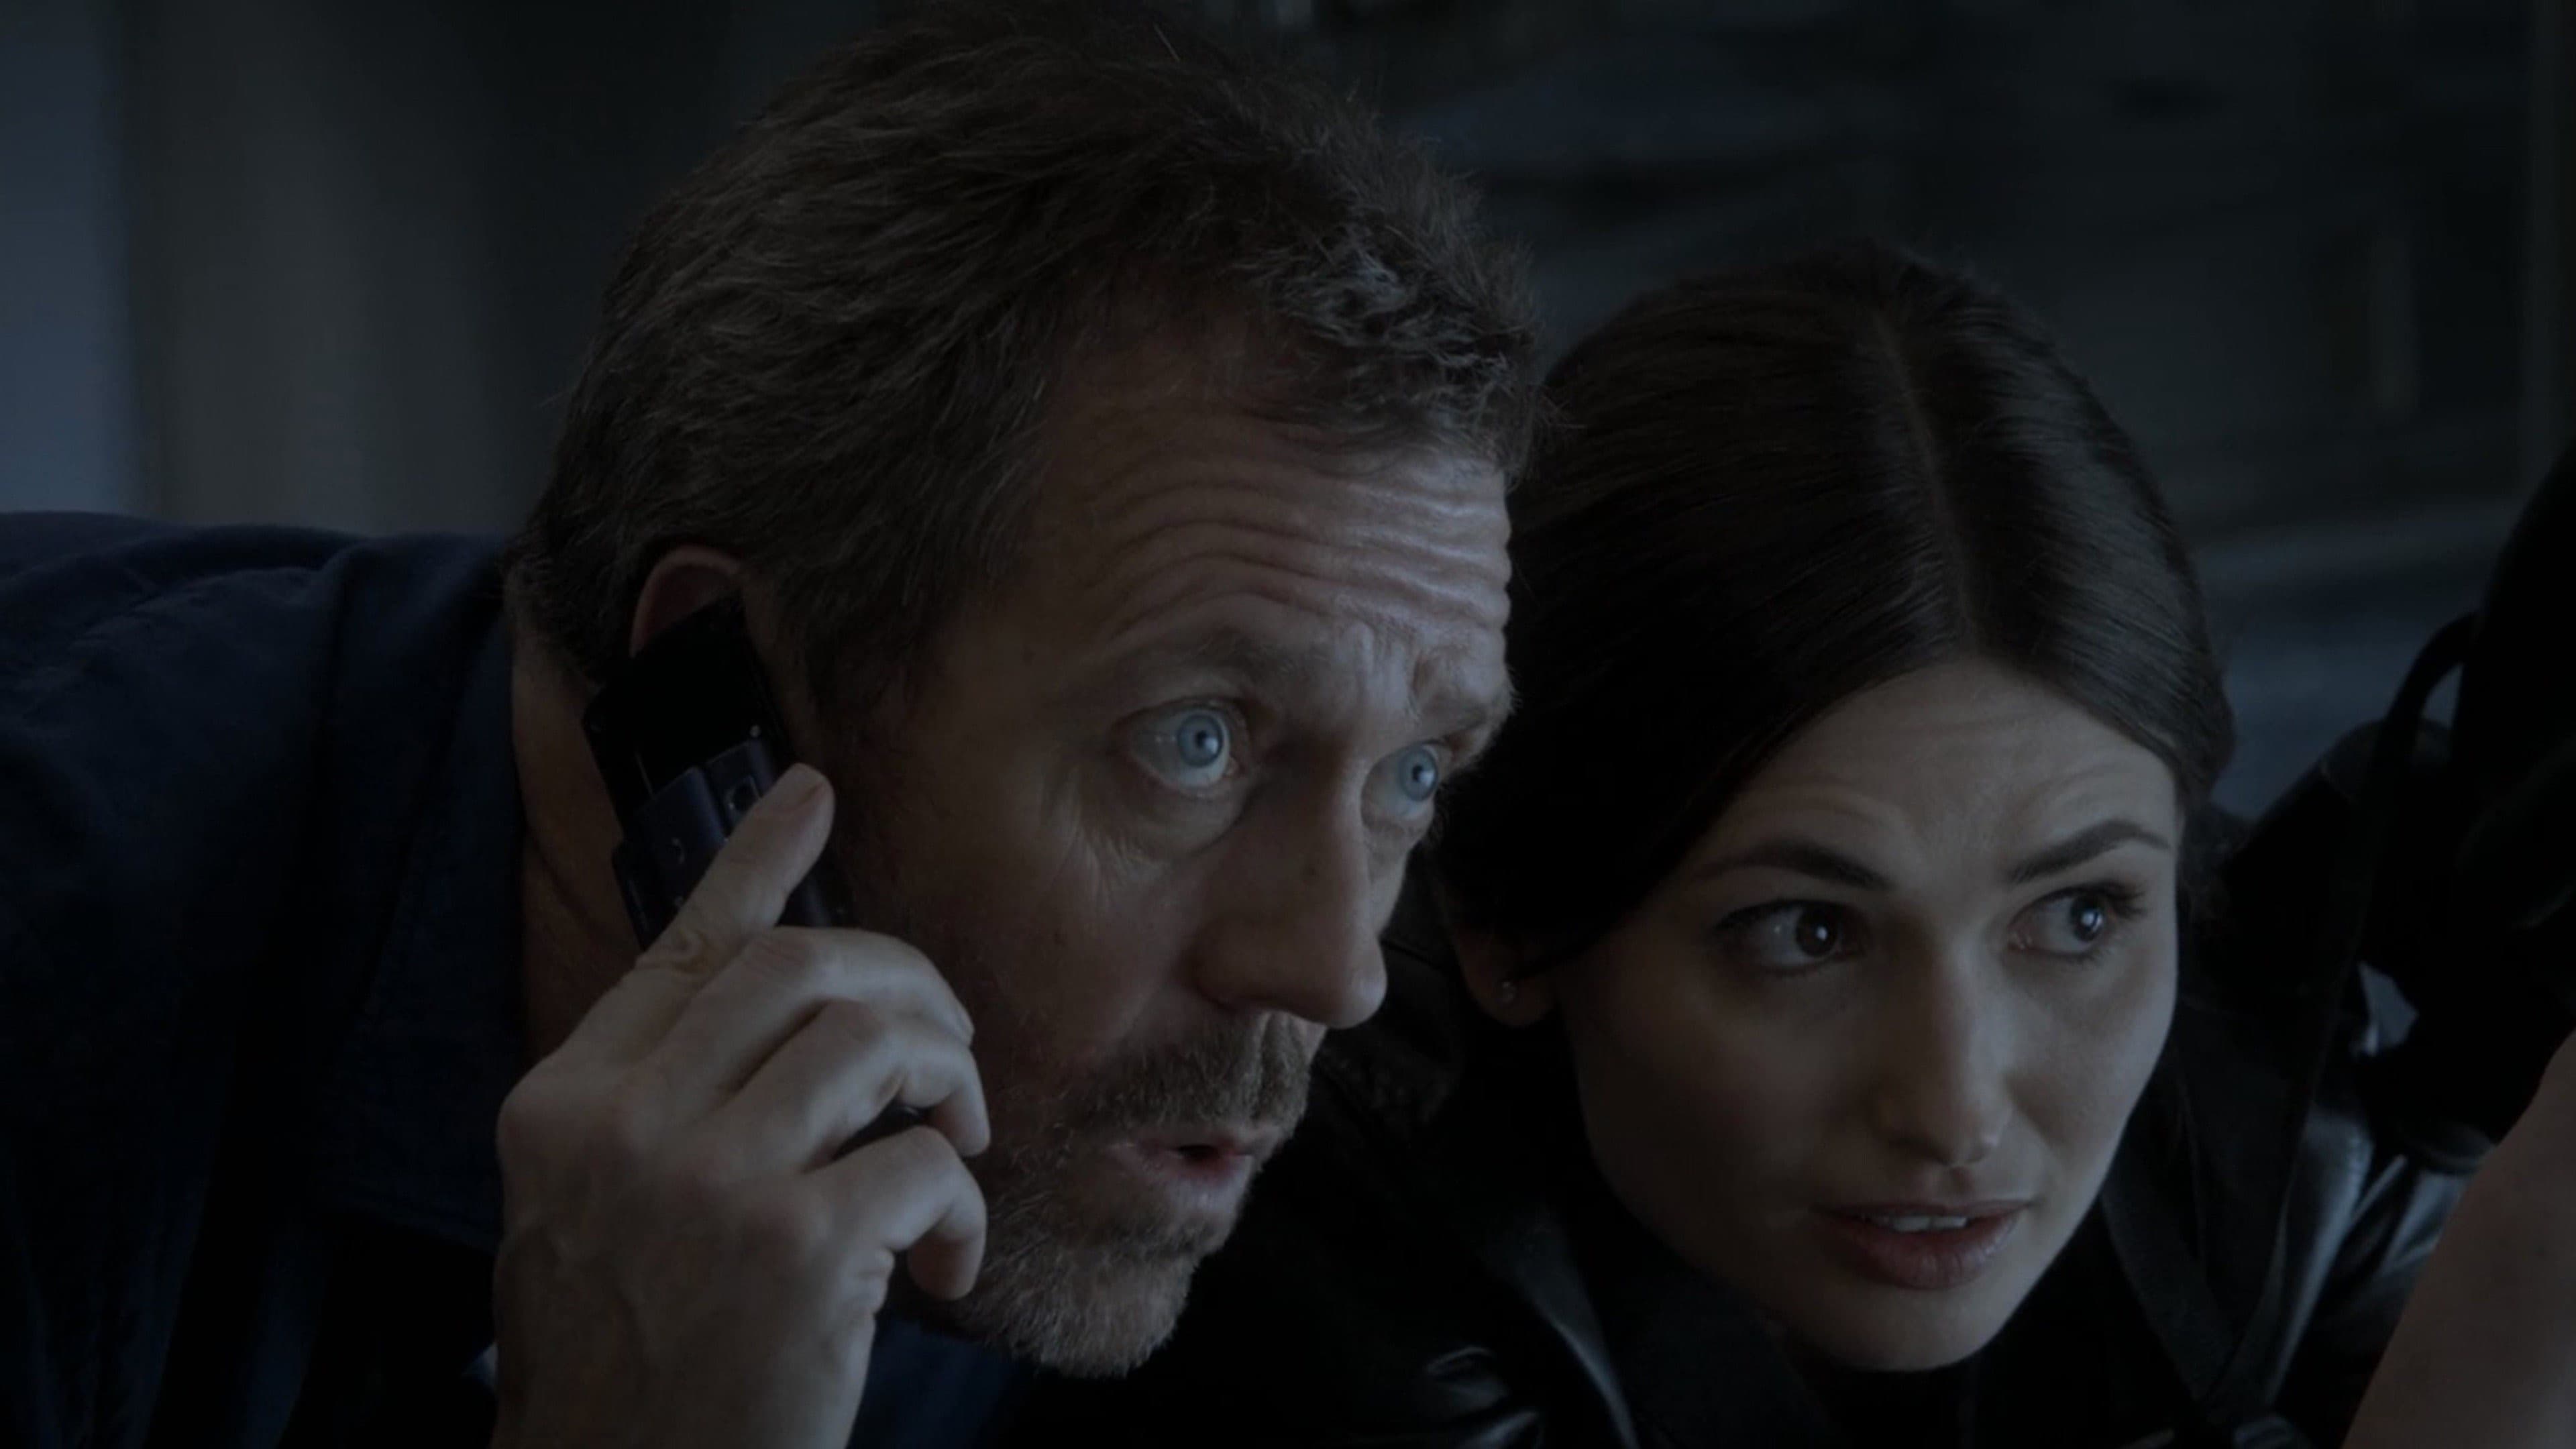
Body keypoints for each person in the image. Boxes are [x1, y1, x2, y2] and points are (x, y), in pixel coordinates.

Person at [0, 5, 1540, 1447]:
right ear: (721, 689)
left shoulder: (1017, 1151)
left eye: (1415, 774)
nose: (1333, 972)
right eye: (1195, 743)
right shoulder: (57, 974)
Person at [1008, 243, 2469, 1448]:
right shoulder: (1300, 1270)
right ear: (1507, 924)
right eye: (1807, 934)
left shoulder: (2266, 1097)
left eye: (2080, 916)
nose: (1956, 1110)